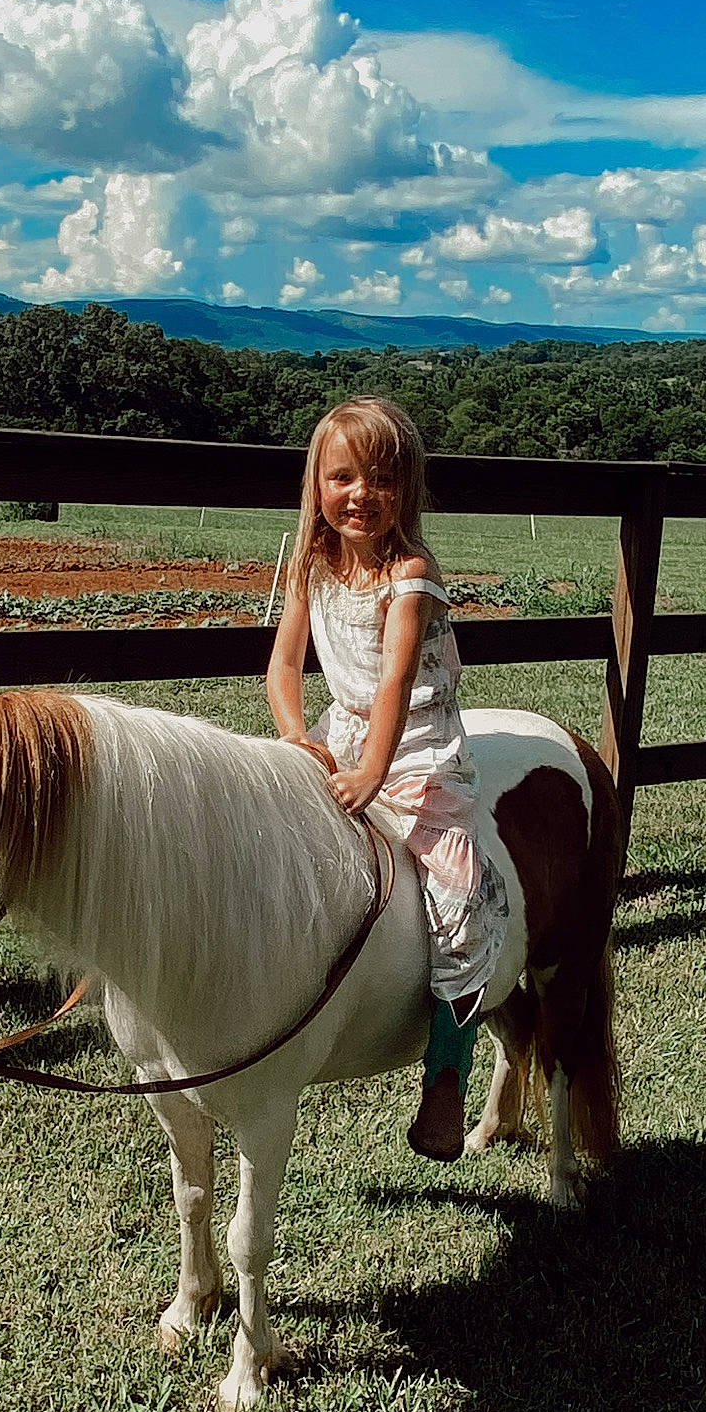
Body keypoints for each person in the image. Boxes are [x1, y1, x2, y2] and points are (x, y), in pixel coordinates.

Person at [267, 395, 508, 1161]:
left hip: (417, 756)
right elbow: (281, 665)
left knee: (458, 901)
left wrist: (373, 772)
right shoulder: (311, 562)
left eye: (381, 478)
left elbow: (399, 686)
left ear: (407, 488)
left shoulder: (412, 574)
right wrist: (297, 737)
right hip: (341, 739)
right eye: (343, 477)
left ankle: (447, 1076)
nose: (360, 494)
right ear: (319, 483)